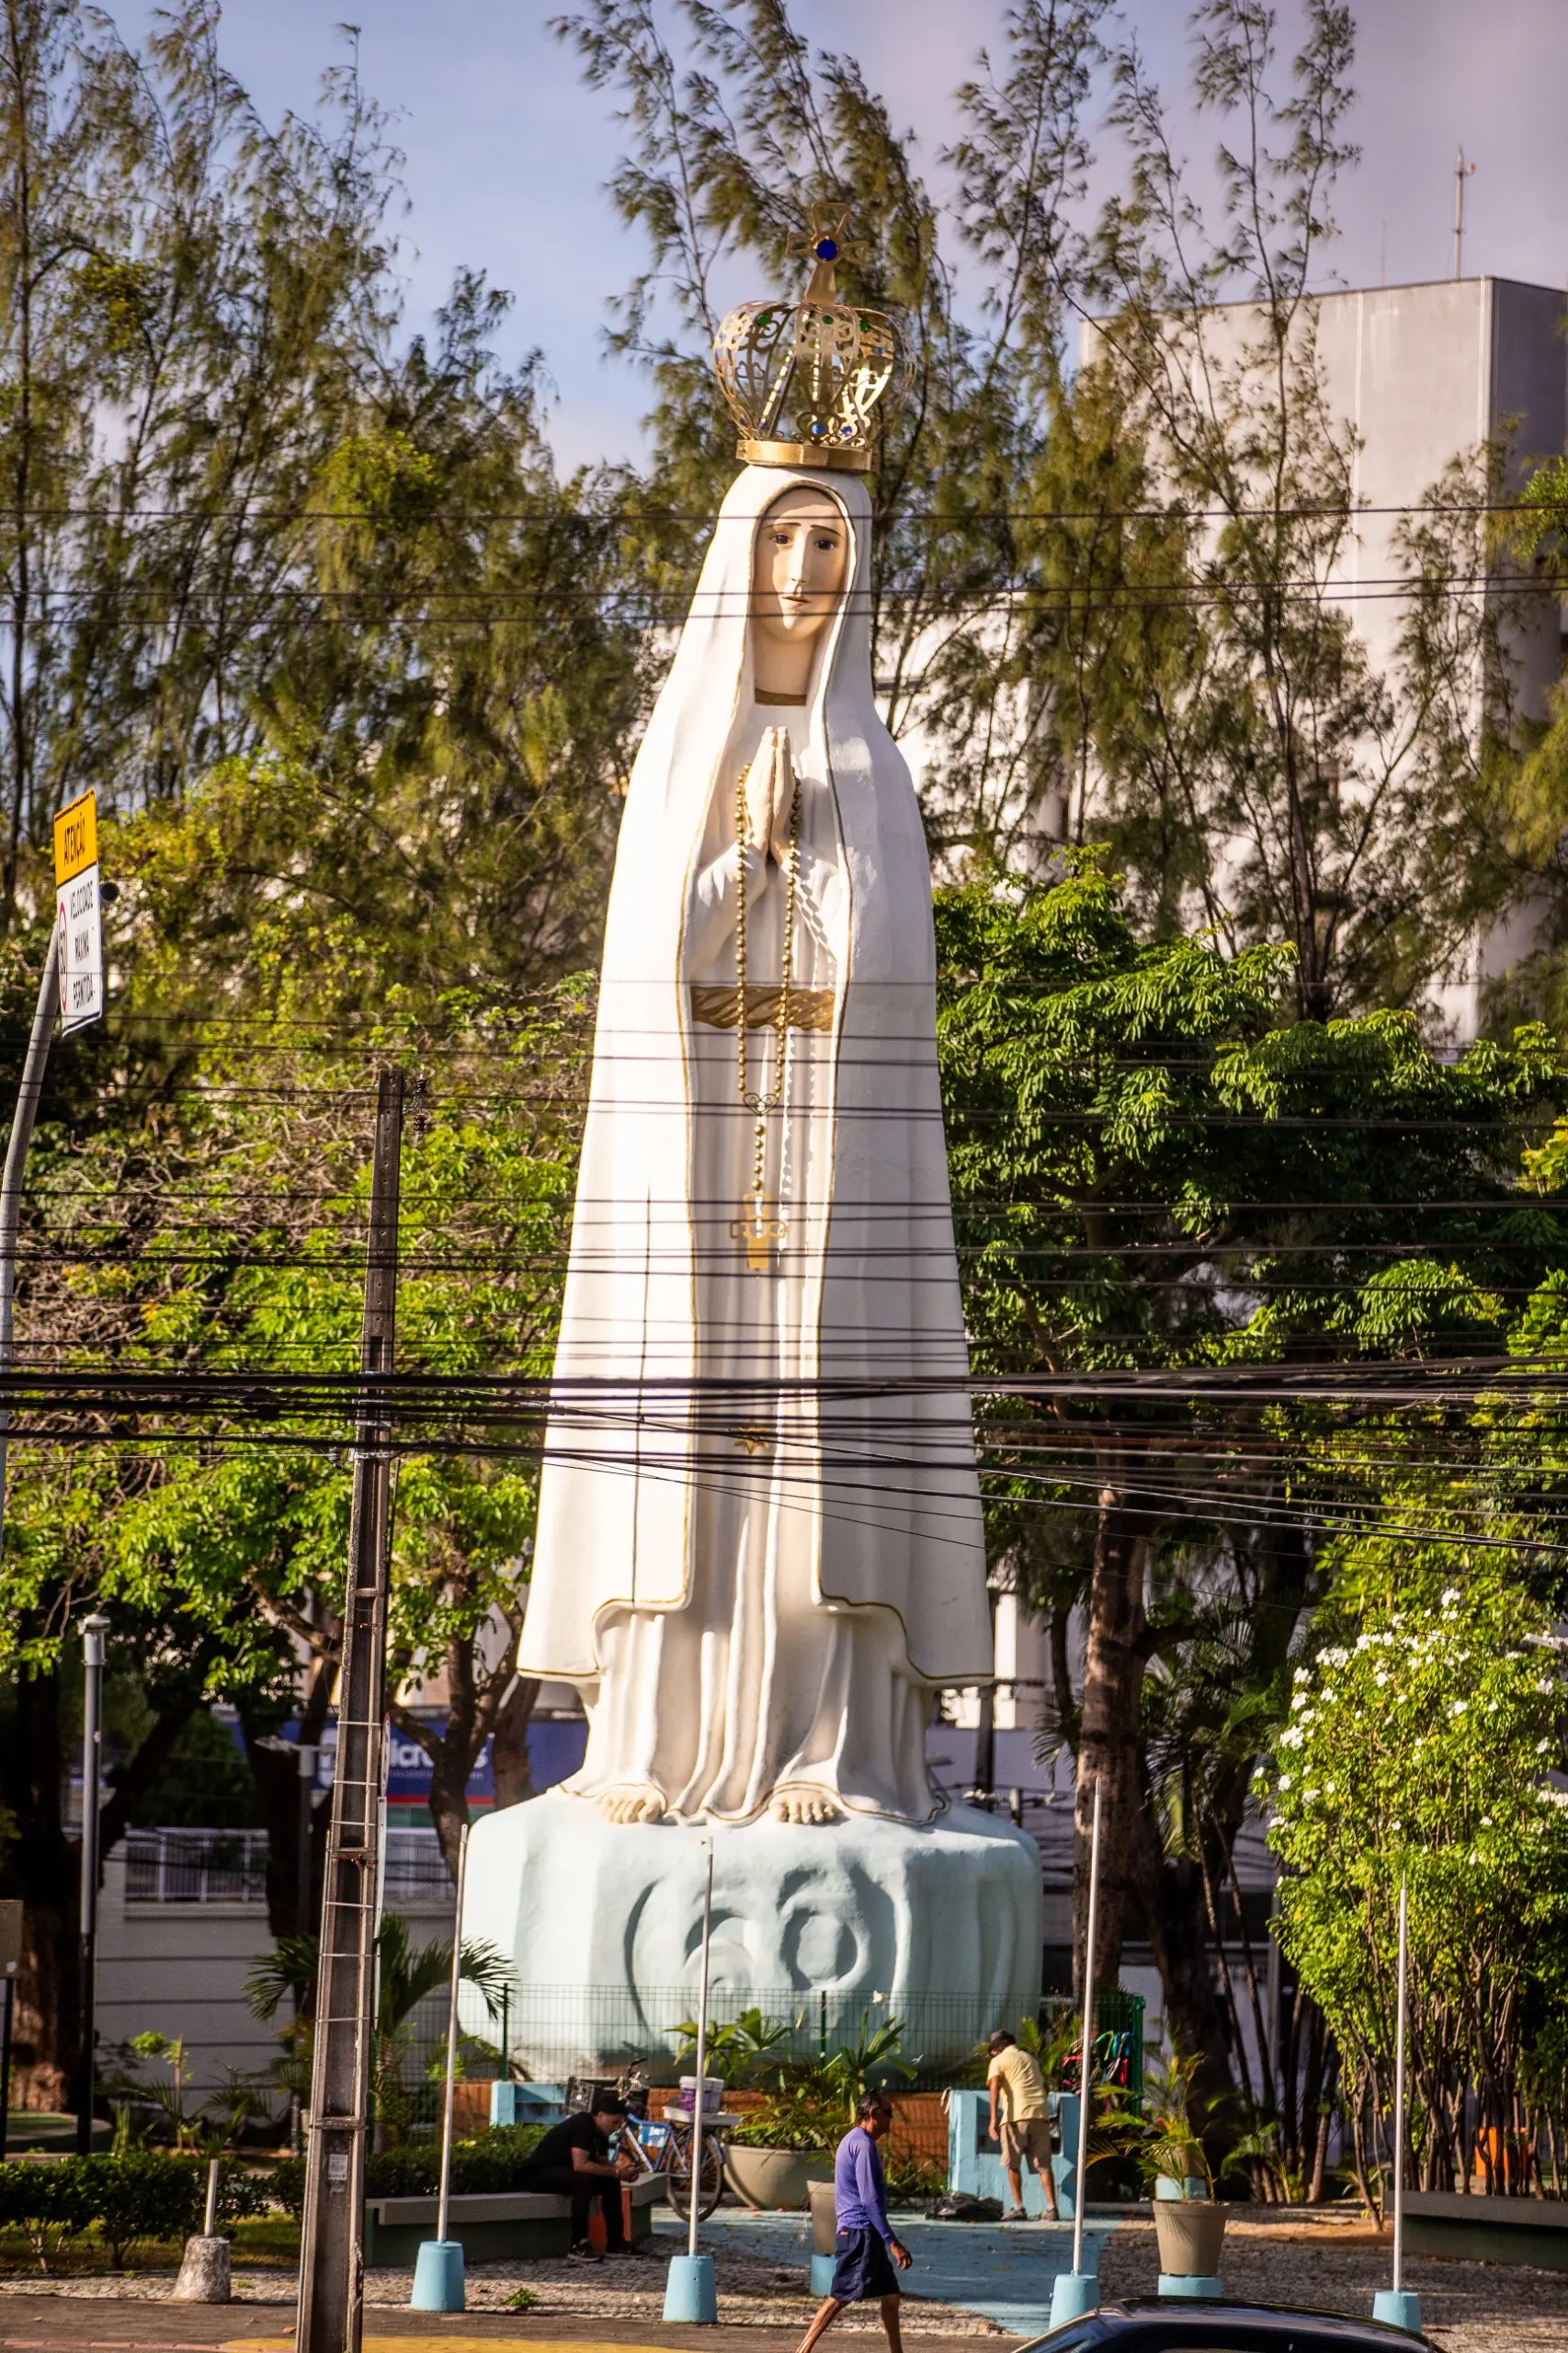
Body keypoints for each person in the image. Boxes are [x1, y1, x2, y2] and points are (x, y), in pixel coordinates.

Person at [793, 2092, 912, 2353]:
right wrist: (892, 2242)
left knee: (891, 2296)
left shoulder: (853, 2140)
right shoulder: (864, 2145)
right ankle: (802, 2351)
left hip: (864, 2232)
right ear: (873, 2114)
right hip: (860, 2233)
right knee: (840, 2296)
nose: (891, 2119)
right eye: (888, 2113)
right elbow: (870, 2200)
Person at [517, 2095, 643, 2262]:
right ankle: (578, 2244)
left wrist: (622, 2171)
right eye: (614, 2122)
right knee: (584, 2180)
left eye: (620, 2124)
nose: (616, 2127)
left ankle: (616, 2243)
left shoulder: (601, 2134)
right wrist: (617, 2172)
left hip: (564, 2173)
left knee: (610, 2181)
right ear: (600, 2115)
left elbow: (603, 2163)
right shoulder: (583, 2124)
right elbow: (581, 2165)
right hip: (539, 2174)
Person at [986, 2029, 1058, 2222]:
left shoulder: (998, 2061)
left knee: (1013, 2164)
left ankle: (1019, 2208)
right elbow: (1045, 2088)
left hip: (1015, 2117)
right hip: (1040, 2116)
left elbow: (994, 2086)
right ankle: (1051, 2208)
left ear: (1000, 2047)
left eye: (993, 2050)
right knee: (1044, 2166)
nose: (992, 2054)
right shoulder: (1031, 2059)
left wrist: (993, 2120)